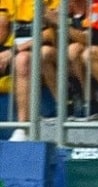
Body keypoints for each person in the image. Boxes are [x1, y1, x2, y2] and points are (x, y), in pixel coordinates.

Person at [6, 0, 60, 141]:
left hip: (56, 51)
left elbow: (50, 35)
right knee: (22, 60)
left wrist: (17, 49)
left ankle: (63, 107)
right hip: (24, 52)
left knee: (43, 53)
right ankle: (23, 127)